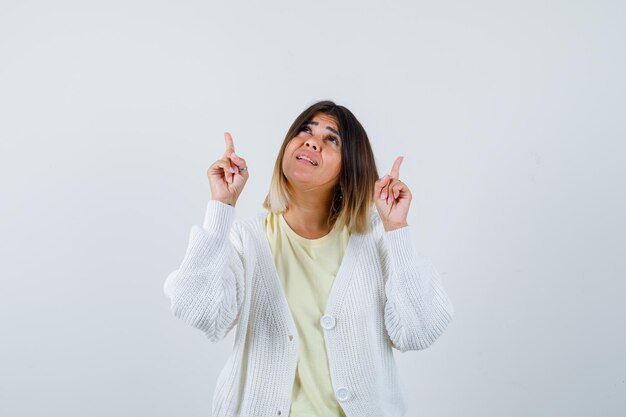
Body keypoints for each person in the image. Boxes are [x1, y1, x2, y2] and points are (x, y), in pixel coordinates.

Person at [163, 100, 455, 417]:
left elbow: (419, 331)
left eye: (332, 138)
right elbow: (200, 312)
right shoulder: (247, 241)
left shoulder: (375, 238)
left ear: (350, 166)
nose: (312, 140)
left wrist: (396, 229)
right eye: (305, 129)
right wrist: (221, 207)